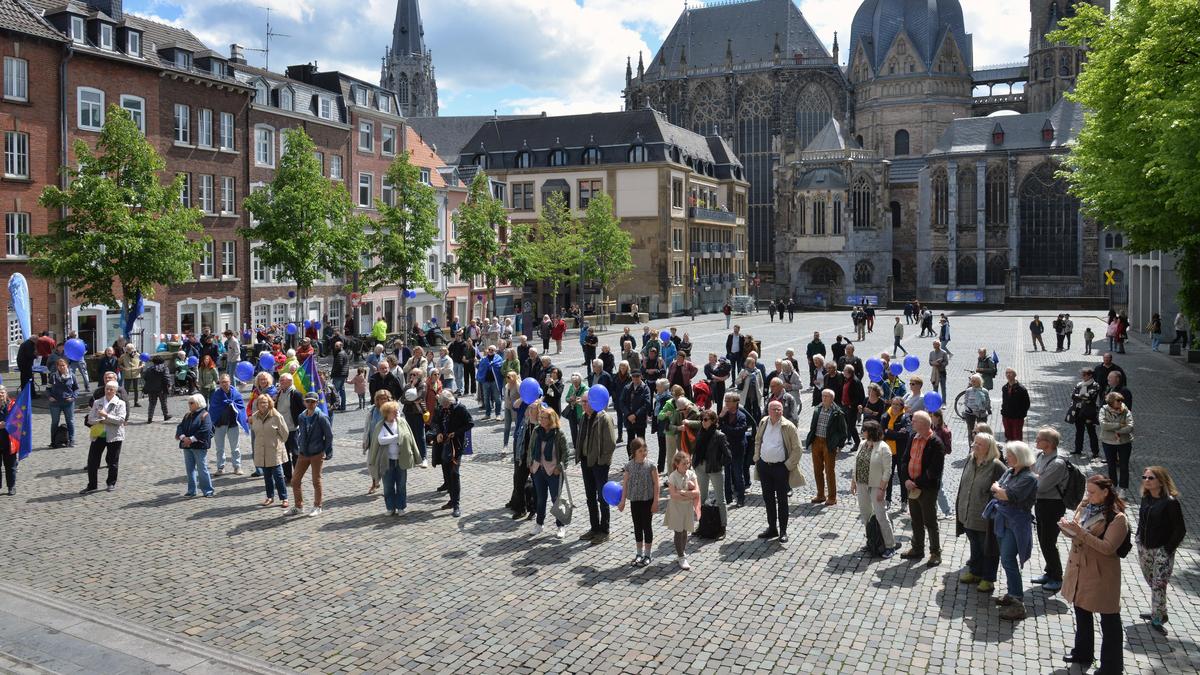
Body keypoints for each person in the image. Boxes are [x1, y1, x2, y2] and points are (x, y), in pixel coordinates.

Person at [1061, 475, 1128, 674]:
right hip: (1080, 569)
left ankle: (1111, 667)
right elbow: (1076, 531)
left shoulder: (1117, 518)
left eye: (1092, 492)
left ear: (1105, 492)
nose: (1088, 496)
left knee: (1109, 621)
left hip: (1101, 575)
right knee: (1081, 612)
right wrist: (1067, 528)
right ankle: (1082, 653)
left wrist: (1080, 532)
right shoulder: (1085, 506)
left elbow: (1108, 548)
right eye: (1087, 491)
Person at [984, 441, 1038, 620]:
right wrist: (999, 490)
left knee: (1008, 558)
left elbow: (1007, 494)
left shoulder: (1029, 478)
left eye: (1011, 455)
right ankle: (1012, 593)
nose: (1007, 458)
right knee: (1006, 559)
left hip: (1016, 524)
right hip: (1002, 521)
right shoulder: (1010, 471)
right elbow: (995, 489)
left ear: (1021, 456)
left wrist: (1000, 490)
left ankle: (1017, 600)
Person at [1136, 466, 1186, 636]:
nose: (1146, 480)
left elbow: (1180, 530)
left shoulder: (1171, 502)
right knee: (1150, 580)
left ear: (1161, 481)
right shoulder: (1146, 498)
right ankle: (1158, 611)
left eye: (1151, 478)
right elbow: (1142, 520)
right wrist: (1138, 539)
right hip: (1144, 548)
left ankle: (1158, 617)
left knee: (1159, 584)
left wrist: (1167, 549)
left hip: (1161, 550)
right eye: (1145, 477)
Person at [957, 432, 1006, 594]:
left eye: (979, 444)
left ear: (989, 448)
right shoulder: (970, 460)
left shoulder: (996, 466)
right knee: (975, 545)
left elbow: (1006, 489)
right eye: (974, 442)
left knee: (989, 549)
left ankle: (988, 578)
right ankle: (975, 572)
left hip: (986, 518)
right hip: (968, 513)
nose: (975, 446)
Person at [753, 400, 805, 543]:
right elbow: (757, 440)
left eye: (779, 409)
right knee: (768, 499)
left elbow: (797, 449)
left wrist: (788, 466)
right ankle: (772, 528)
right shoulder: (764, 422)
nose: (777, 411)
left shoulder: (788, 426)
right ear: (768, 411)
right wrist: (757, 458)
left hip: (780, 468)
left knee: (782, 500)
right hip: (764, 467)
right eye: (774, 409)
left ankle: (783, 531)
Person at [899, 411, 946, 566]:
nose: (911, 423)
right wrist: (906, 479)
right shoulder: (912, 437)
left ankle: (935, 553)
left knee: (930, 521)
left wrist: (916, 482)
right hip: (912, 486)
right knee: (916, 519)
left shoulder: (936, 443)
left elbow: (934, 471)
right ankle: (917, 548)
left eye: (914, 421)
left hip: (927, 488)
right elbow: (905, 459)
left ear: (924, 424)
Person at [1031, 427, 1070, 594]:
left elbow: (1041, 486)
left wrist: (1036, 477)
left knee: (1048, 542)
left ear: (1049, 443)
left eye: (1039, 439)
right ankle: (1049, 572)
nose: (1036, 441)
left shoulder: (1057, 463)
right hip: (1041, 503)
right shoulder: (1041, 456)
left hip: (1052, 506)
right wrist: (1037, 476)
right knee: (1043, 539)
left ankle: (1057, 577)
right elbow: (1032, 473)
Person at [368, 401, 421, 516]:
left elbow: (410, 438)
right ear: (387, 413)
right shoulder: (380, 425)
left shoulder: (402, 422)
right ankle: (390, 507)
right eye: (394, 411)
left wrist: (417, 456)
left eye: (397, 410)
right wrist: (397, 437)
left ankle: (401, 507)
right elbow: (380, 440)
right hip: (387, 461)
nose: (397, 412)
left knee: (401, 485)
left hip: (401, 459)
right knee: (388, 486)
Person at [852, 421, 896, 556]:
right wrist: (853, 481)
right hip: (862, 483)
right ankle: (871, 540)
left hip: (877, 485)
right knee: (865, 514)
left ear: (871, 432)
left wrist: (882, 490)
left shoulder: (884, 448)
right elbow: (856, 463)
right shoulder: (862, 444)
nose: (862, 432)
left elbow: (887, 471)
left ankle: (890, 545)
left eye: (864, 430)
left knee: (880, 514)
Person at [685, 409, 731, 536]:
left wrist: (717, 463)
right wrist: (694, 463)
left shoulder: (719, 435)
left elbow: (728, 456)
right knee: (701, 497)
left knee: (720, 499)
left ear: (713, 421)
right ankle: (702, 524)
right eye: (702, 419)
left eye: (705, 420)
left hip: (714, 469)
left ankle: (722, 526)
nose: (703, 422)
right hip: (700, 467)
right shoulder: (701, 432)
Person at [576, 398, 616, 544]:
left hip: (599, 464)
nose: (583, 404)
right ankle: (594, 528)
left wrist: (602, 461)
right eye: (583, 402)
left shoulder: (604, 418)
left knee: (602, 497)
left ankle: (604, 530)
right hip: (586, 462)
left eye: (586, 401)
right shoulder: (583, 417)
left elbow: (611, 443)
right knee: (590, 497)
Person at [526, 406, 569, 538]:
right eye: (541, 417)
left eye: (545, 418)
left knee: (556, 499)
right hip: (538, 470)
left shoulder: (558, 433)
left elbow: (565, 453)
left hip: (554, 471)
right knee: (540, 499)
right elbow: (531, 448)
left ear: (551, 419)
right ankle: (539, 524)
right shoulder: (537, 431)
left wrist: (560, 467)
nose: (542, 420)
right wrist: (530, 464)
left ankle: (560, 526)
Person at [431, 390, 473, 518]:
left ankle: (456, 505)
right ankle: (451, 499)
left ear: (450, 402)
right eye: (442, 406)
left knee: (454, 474)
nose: (443, 408)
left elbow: (470, 423)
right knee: (447, 475)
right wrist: (438, 432)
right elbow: (435, 422)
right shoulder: (441, 408)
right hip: (443, 445)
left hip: (456, 446)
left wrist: (456, 432)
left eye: (445, 405)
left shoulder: (460, 409)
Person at [619, 437, 660, 566]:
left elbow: (656, 484)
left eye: (645, 450)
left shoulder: (651, 465)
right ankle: (639, 553)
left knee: (647, 527)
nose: (644, 453)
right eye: (640, 451)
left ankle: (647, 554)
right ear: (634, 452)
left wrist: (656, 501)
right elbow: (625, 484)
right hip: (635, 501)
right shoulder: (629, 466)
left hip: (647, 501)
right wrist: (623, 501)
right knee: (637, 527)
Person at [804, 389, 847, 506]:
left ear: (832, 399)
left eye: (826, 397)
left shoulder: (837, 413)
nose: (823, 398)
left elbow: (843, 431)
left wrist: (839, 445)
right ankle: (820, 494)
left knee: (829, 471)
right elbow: (813, 425)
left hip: (829, 444)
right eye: (823, 396)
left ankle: (832, 497)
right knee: (817, 470)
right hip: (817, 442)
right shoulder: (818, 409)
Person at [250, 394, 289, 508]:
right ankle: (270, 497)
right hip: (262, 451)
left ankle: (284, 498)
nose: (263, 404)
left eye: (265, 402)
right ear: (257, 404)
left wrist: (278, 444)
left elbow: (285, 433)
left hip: (274, 450)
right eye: (261, 402)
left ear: (269, 403)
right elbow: (255, 432)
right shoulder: (255, 416)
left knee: (278, 476)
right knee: (267, 476)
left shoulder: (276, 416)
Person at [664, 451, 700, 570]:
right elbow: (673, 496)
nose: (687, 466)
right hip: (676, 508)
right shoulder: (673, 476)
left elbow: (697, 492)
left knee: (685, 531)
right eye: (684, 464)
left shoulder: (691, 474)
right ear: (677, 464)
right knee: (678, 531)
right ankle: (681, 556)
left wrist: (685, 493)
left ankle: (682, 553)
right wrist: (690, 495)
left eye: (688, 463)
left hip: (687, 507)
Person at [173, 393, 212, 498]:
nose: (189, 405)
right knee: (189, 469)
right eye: (189, 403)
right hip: (187, 446)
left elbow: (205, 430)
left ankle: (208, 490)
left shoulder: (205, 415)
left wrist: (191, 439)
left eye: (191, 403)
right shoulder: (187, 415)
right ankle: (192, 490)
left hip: (199, 446)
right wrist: (182, 437)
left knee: (202, 468)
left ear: (198, 404)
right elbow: (180, 427)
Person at [210, 374, 247, 476]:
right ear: (219, 383)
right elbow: (213, 408)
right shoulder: (216, 394)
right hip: (220, 424)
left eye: (226, 382)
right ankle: (220, 468)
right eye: (222, 382)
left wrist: (232, 404)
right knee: (219, 448)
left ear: (230, 382)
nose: (224, 384)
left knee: (235, 447)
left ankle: (237, 466)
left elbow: (240, 406)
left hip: (232, 423)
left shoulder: (236, 393)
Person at [1098, 392, 1134, 491]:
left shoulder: (1126, 410)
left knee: (1124, 466)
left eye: (1121, 400)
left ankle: (1123, 489)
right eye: (1118, 400)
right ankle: (1113, 486)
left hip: (1124, 442)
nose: (1120, 402)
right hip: (1108, 442)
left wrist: (1116, 430)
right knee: (1111, 466)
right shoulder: (1103, 410)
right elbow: (1103, 425)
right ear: (1111, 402)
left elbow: (1130, 427)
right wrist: (1119, 424)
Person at [275, 373, 305, 483]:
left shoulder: (296, 394)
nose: (281, 382)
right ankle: (288, 476)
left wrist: (301, 425)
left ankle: (298, 476)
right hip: (281, 429)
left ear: (290, 382)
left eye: (283, 381)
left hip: (293, 428)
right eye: (280, 380)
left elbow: (303, 410)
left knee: (295, 453)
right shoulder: (279, 393)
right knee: (284, 454)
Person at [1069, 368, 1101, 458]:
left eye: (1084, 375)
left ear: (1090, 375)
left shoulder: (1095, 385)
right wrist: (1082, 396)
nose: (1082, 376)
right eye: (1082, 375)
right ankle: (1078, 449)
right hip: (1079, 411)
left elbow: (1090, 397)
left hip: (1089, 412)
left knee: (1091, 432)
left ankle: (1095, 452)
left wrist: (1080, 396)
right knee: (1079, 431)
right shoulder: (1079, 384)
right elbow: (1073, 396)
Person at [46, 358, 78, 448]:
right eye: (60, 365)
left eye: (63, 365)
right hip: (55, 403)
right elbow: (48, 389)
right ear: (57, 366)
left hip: (68, 403)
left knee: (70, 421)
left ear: (67, 365)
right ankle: (53, 441)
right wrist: (49, 397)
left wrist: (73, 397)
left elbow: (76, 389)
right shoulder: (53, 376)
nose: (62, 367)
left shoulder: (72, 376)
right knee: (55, 422)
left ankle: (71, 440)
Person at [999, 368, 1030, 442]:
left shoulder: (1021, 389)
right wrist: (1003, 411)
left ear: (1015, 375)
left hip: (1017, 418)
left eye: (1010, 373)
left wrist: (1021, 414)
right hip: (1006, 416)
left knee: (1017, 437)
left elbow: (1026, 404)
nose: (1008, 374)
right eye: (1007, 373)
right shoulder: (1005, 388)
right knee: (1008, 436)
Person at [622, 370, 652, 445]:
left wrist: (635, 415)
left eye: (637, 376)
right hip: (629, 419)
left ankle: (642, 457)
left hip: (640, 420)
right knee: (630, 442)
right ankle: (631, 457)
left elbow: (646, 404)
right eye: (633, 376)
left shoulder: (645, 388)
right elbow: (622, 402)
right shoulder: (627, 388)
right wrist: (628, 415)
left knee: (641, 442)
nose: (635, 378)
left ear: (641, 376)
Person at [837, 365, 864, 450]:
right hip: (845, 406)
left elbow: (858, 396)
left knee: (851, 426)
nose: (843, 372)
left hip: (851, 408)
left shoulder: (855, 381)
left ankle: (857, 443)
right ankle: (844, 440)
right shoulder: (847, 379)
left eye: (844, 371)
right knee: (846, 425)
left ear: (849, 372)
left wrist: (851, 405)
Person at [962, 373, 991, 447]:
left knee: (982, 431)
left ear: (979, 382)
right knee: (970, 430)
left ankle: (981, 446)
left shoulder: (984, 391)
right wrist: (969, 409)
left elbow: (988, 401)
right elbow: (966, 401)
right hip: (970, 413)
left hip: (981, 413)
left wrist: (985, 408)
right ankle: (971, 447)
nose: (972, 382)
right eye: (972, 381)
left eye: (974, 381)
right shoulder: (968, 390)